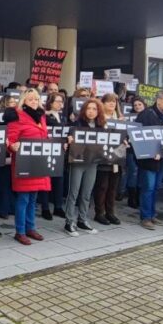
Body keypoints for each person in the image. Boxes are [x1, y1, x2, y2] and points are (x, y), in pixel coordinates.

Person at [6, 88, 49, 245]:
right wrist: (12, 146)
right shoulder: (17, 117)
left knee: (33, 199)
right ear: (23, 101)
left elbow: (45, 137)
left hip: (38, 162)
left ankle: (31, 228)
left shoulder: (41, 117)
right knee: (23, 199)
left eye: (36, 99)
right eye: (31, 99)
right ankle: (20, 231)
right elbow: (9, 140)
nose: (34, 102)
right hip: (24, 163)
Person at [135, 91, 163, 229]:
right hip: (149, 159)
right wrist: (152, 151)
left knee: (156, 188)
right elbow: (139, 136)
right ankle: (146, 217)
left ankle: (152, 215)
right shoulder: (147, 114)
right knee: (148, 187)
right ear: (158, 100)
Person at [63, 99, 106, 237]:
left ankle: (82, 219)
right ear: (84, 110)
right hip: (78, 162)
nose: (91, 111)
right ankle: (69, 222)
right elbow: (69, 138)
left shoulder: (101, 126)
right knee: (73, 193)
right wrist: (68, 140)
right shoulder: (77, 124)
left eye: (94, 109)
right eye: (89, 108)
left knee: (87, 194)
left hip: (92, 163)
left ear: (98, 111)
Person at [93, 93, 123, 226]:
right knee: (102, 186)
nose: (112, 104)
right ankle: (99, 213)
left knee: (113, 186)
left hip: (117, 157)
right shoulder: (99, 120)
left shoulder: (120, 119)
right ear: (102, 104)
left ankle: (110, 212)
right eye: (109, 102)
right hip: (103, 156)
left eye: (114, 102)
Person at [40, 92, 66, 219]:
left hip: (60, 152)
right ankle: (45, 208)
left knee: (59, 180)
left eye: (61, 101)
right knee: (46, 179)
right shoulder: (44, 116)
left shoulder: (63, 117)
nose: (60, 104)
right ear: (50, 103)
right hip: (47, 151)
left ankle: (58, 206)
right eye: (57, 101)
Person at [125, 98, 147, 208]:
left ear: (144, 105)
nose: (137, 106)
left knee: (140, 173)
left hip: (143, 148)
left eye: (140, 104)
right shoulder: (129, 118)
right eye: (135, 105)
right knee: (133, 172)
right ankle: (131, 198)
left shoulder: (148, 117)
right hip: (131, 149)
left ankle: (138, 196)